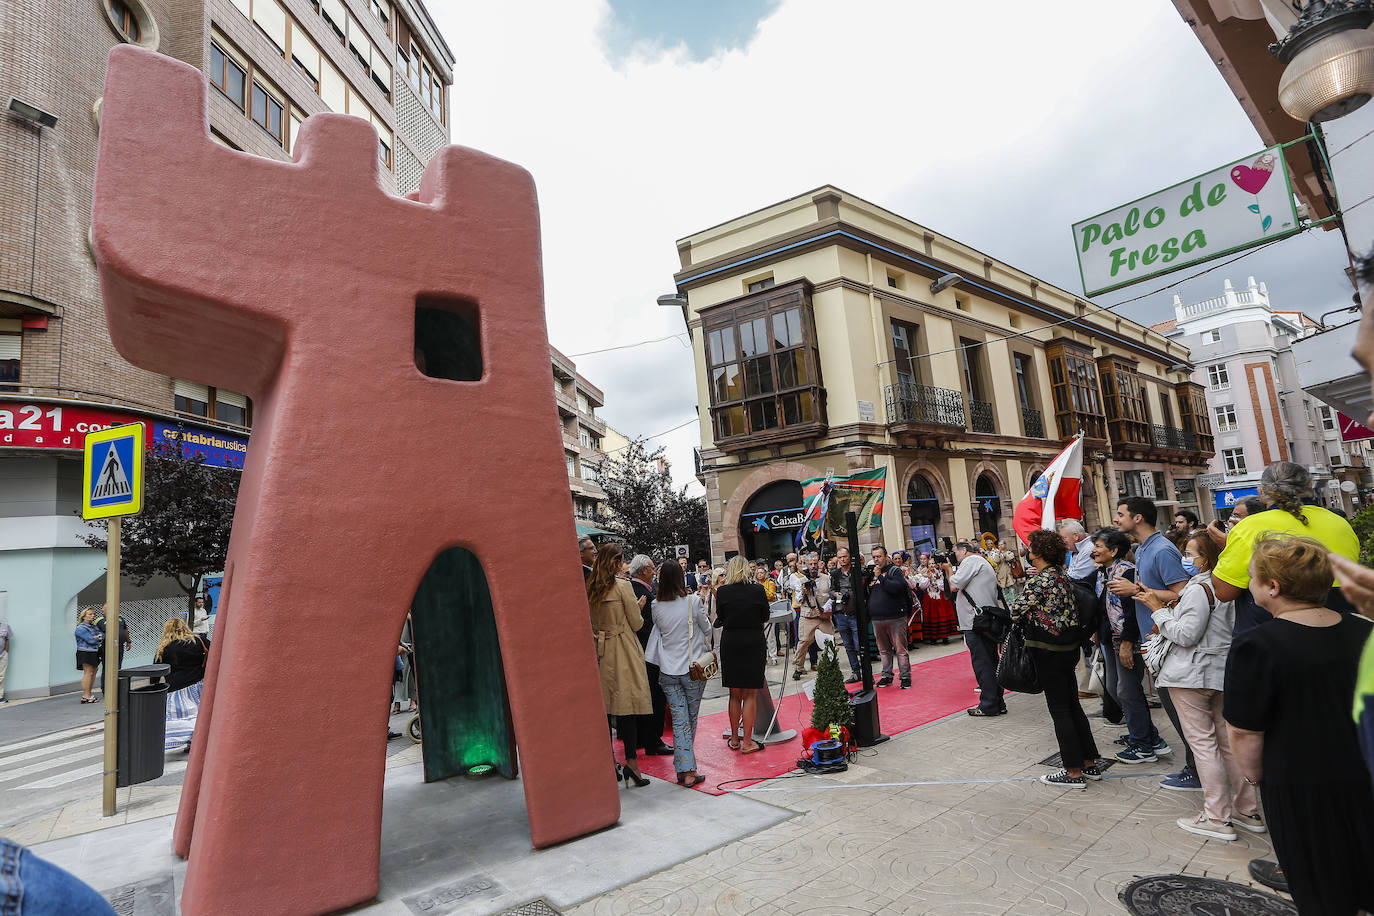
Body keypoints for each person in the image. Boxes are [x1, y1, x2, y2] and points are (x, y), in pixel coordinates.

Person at [1224, 536, 1374, 914]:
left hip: (1300, 781)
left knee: (1320, 882)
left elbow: (1244, 729)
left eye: (1252, 577)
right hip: (1364, 769)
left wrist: (1255, 776)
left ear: (1273, 587)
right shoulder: (1362, 630)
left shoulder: (1256, 645)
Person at [1136, 529, 1258, 841]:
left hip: (1191, 673)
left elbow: (1186, 634)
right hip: (1220, 670)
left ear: (1204, 559)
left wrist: (1158, 610)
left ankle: (1217, 816)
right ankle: (1247, 809)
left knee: (1204, 745)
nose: (1185, 560)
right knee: (1227, 744)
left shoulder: (1199, 588)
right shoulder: (1233, 587)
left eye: (1189, 554)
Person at [1110, 496, 1199, 793]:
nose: (1116, 519)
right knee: (1174, 707)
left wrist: (1135, 589)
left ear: (1137, 518)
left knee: (1180, 709)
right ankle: (1195, 767)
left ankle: (1199, 771)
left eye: (1120, 514)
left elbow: (1184, 594)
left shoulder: (1161, 549)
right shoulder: (1143, 549)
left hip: (1169, 637)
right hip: (1156, 638)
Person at [1011, 529, 1103, 788]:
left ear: (1038, 553)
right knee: (1073, 705)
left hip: (1047, 650)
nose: (1027, 551)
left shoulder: (1040, 581)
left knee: (1060, 710)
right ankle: (1089, 761)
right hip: (1068, 648)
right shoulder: (1062, 575)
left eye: (1030, 547)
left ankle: (1072, 771)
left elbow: (1016, 610)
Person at [1212, 461, 1360, 621]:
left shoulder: (1248, 527)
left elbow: (1224, 592)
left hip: (1273, 633)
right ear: (1310, 486)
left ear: (1261, 493)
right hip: (1342, 625)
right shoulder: (1339, 522)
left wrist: (1226, 546)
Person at [1090, 528, 1166, 764]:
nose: (1094, 550)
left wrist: (1127, 642)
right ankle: (1148, 736)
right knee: (1115, 689)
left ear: (1114, 550)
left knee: (1127, 690)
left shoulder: (1126, 572)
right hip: (1110, 638)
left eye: (1099, 546)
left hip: (1126, 639)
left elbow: (1133, 611)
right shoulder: (1104, 572)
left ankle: (1143, 744)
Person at [586, 544, 653, 787]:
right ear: (616, 562)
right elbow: (636, 624)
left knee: (605, 708)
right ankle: (632, 764)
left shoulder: (590, 587)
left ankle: (609, 762)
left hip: (599, 650)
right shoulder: (623, 586)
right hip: (623, 648)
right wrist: (638, 608)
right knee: (627, 708)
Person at [644, 560, 713, 788]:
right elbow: (707, 629)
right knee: (688, 720)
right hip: (692, 670)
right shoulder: (693, 601)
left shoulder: (655, 605)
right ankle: (688, 770)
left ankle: (684, 768)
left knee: (679, 720)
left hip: (667, 671)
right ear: (680, 579)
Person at [715, 556, 768, 754]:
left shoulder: (722, 591)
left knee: (734, 694)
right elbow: (765, 616)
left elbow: (720, 617)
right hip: (753, 640)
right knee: (750, 694)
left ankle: (735, 740)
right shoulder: (757, 590)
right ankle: (748, 742)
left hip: (731, 642)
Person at [946, 541, 1005, 717]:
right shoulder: (981, 561)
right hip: (984, 619)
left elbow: (954, 585)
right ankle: (997, 702)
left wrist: (948, 569)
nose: (954, 556)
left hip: (975, 622)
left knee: (983, 663)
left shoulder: (971, 561)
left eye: (955, 552)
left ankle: (988, 705)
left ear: (964, 551)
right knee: (991, 661)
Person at [628, 555, 673, 757]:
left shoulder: (636, 589)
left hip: (640, 652)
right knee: (655, 696)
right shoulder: (640, 593)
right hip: (648, 653)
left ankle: (643, 738)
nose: (654, 572)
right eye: (652, 569)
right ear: (644, 570)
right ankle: (653, 741)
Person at [155, 617, 209, 752]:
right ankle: (199, 741)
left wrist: (156, 689)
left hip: (176, 689)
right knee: (200, 714)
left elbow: (156, 671)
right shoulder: (199, 641)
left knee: (183, 718)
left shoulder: (164, 648)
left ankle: (190, 741)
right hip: (199, 685)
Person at [868, 547, 912, 689]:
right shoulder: (872, 573)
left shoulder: (894, 571)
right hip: (877, 618)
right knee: (884, 651)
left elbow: (895, 588)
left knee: (900, 649)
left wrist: (880, 576)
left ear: (886, 556)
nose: (876, 559)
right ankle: (886, 675)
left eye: (879, 556)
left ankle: (905, 676)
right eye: (874, 557)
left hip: (895, 617)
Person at [791, 554, 834, 681]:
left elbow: (832, 595)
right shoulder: (801, 580)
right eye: (810, 564)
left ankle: (832, 665)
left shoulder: (827, 578)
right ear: (807, 566)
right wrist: (803, 591)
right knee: (803, 642)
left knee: (829, 641)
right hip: (808, 616)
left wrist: (825, 610)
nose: (813, 566)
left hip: (824, 616)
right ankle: (798, 668)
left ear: (819, 564)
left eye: (815, 564)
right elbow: (798, 600)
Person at [829, 547, 863, 684]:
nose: (842, 559)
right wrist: (836, 594)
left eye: (845, 556)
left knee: (858, 645)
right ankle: (855, 672)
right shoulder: (835, 573)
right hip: (840, 612)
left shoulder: (857, 571)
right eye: (840, 557)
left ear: (849, 556)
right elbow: (831, 590)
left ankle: (866, 672)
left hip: (855, 612)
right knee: (848, 646)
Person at [915, 555, 956, 644]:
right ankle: (933, 637)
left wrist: (937, 580)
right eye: (930, 564)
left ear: (937, 565)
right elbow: (922, 586)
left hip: (940, 597)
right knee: (931, 616)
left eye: (933, 563)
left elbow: (943, 587)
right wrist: (929, 578)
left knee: (942, 615)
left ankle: (945, 636)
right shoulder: (924, 573)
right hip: (929, 597)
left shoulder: (940, 573)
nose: (931, 565)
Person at [74, 607, 102, 704]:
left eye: (93, 614)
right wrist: (97, 637)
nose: (93, 616)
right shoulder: (81, 628)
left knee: (93, 671)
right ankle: (86, 696)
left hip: (94, 652)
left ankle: (88, 694)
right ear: (84, 616)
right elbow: (91, 640)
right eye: (90, 614)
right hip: (85, 652)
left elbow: (102, 635)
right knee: (88, 673)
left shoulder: (93, 626)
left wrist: (97, 637)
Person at [92, 604, 130, 673]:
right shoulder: (100, 620)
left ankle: (116, 683)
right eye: (103, 610)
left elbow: (125, 630)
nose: (102, 611)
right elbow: (94, 633)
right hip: (107, 647)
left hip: (120, 646)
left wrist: (128, 642)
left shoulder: (120, 618)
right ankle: (105, 684)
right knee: (107, 668)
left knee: (118, 667)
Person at [987, 539, 1020, 605]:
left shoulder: (1009, 552)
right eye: (999, 545)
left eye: (1001, 544)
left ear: (1005, 545)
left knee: (1013, 593)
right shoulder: (996, 553)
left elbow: (1009, 558)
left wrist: (1003, 553)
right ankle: (1008, 606)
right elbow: (996, 561)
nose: (1000, 546)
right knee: (1005, 594)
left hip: (1010, 575)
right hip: (1001, 576)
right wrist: (998, 553)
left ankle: (1014, 606)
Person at [0, 617, 10, 705]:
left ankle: (0, 696)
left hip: (3, 655)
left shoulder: (5, 626)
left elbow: (7, 640)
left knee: (1, 676)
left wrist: (6, 652)